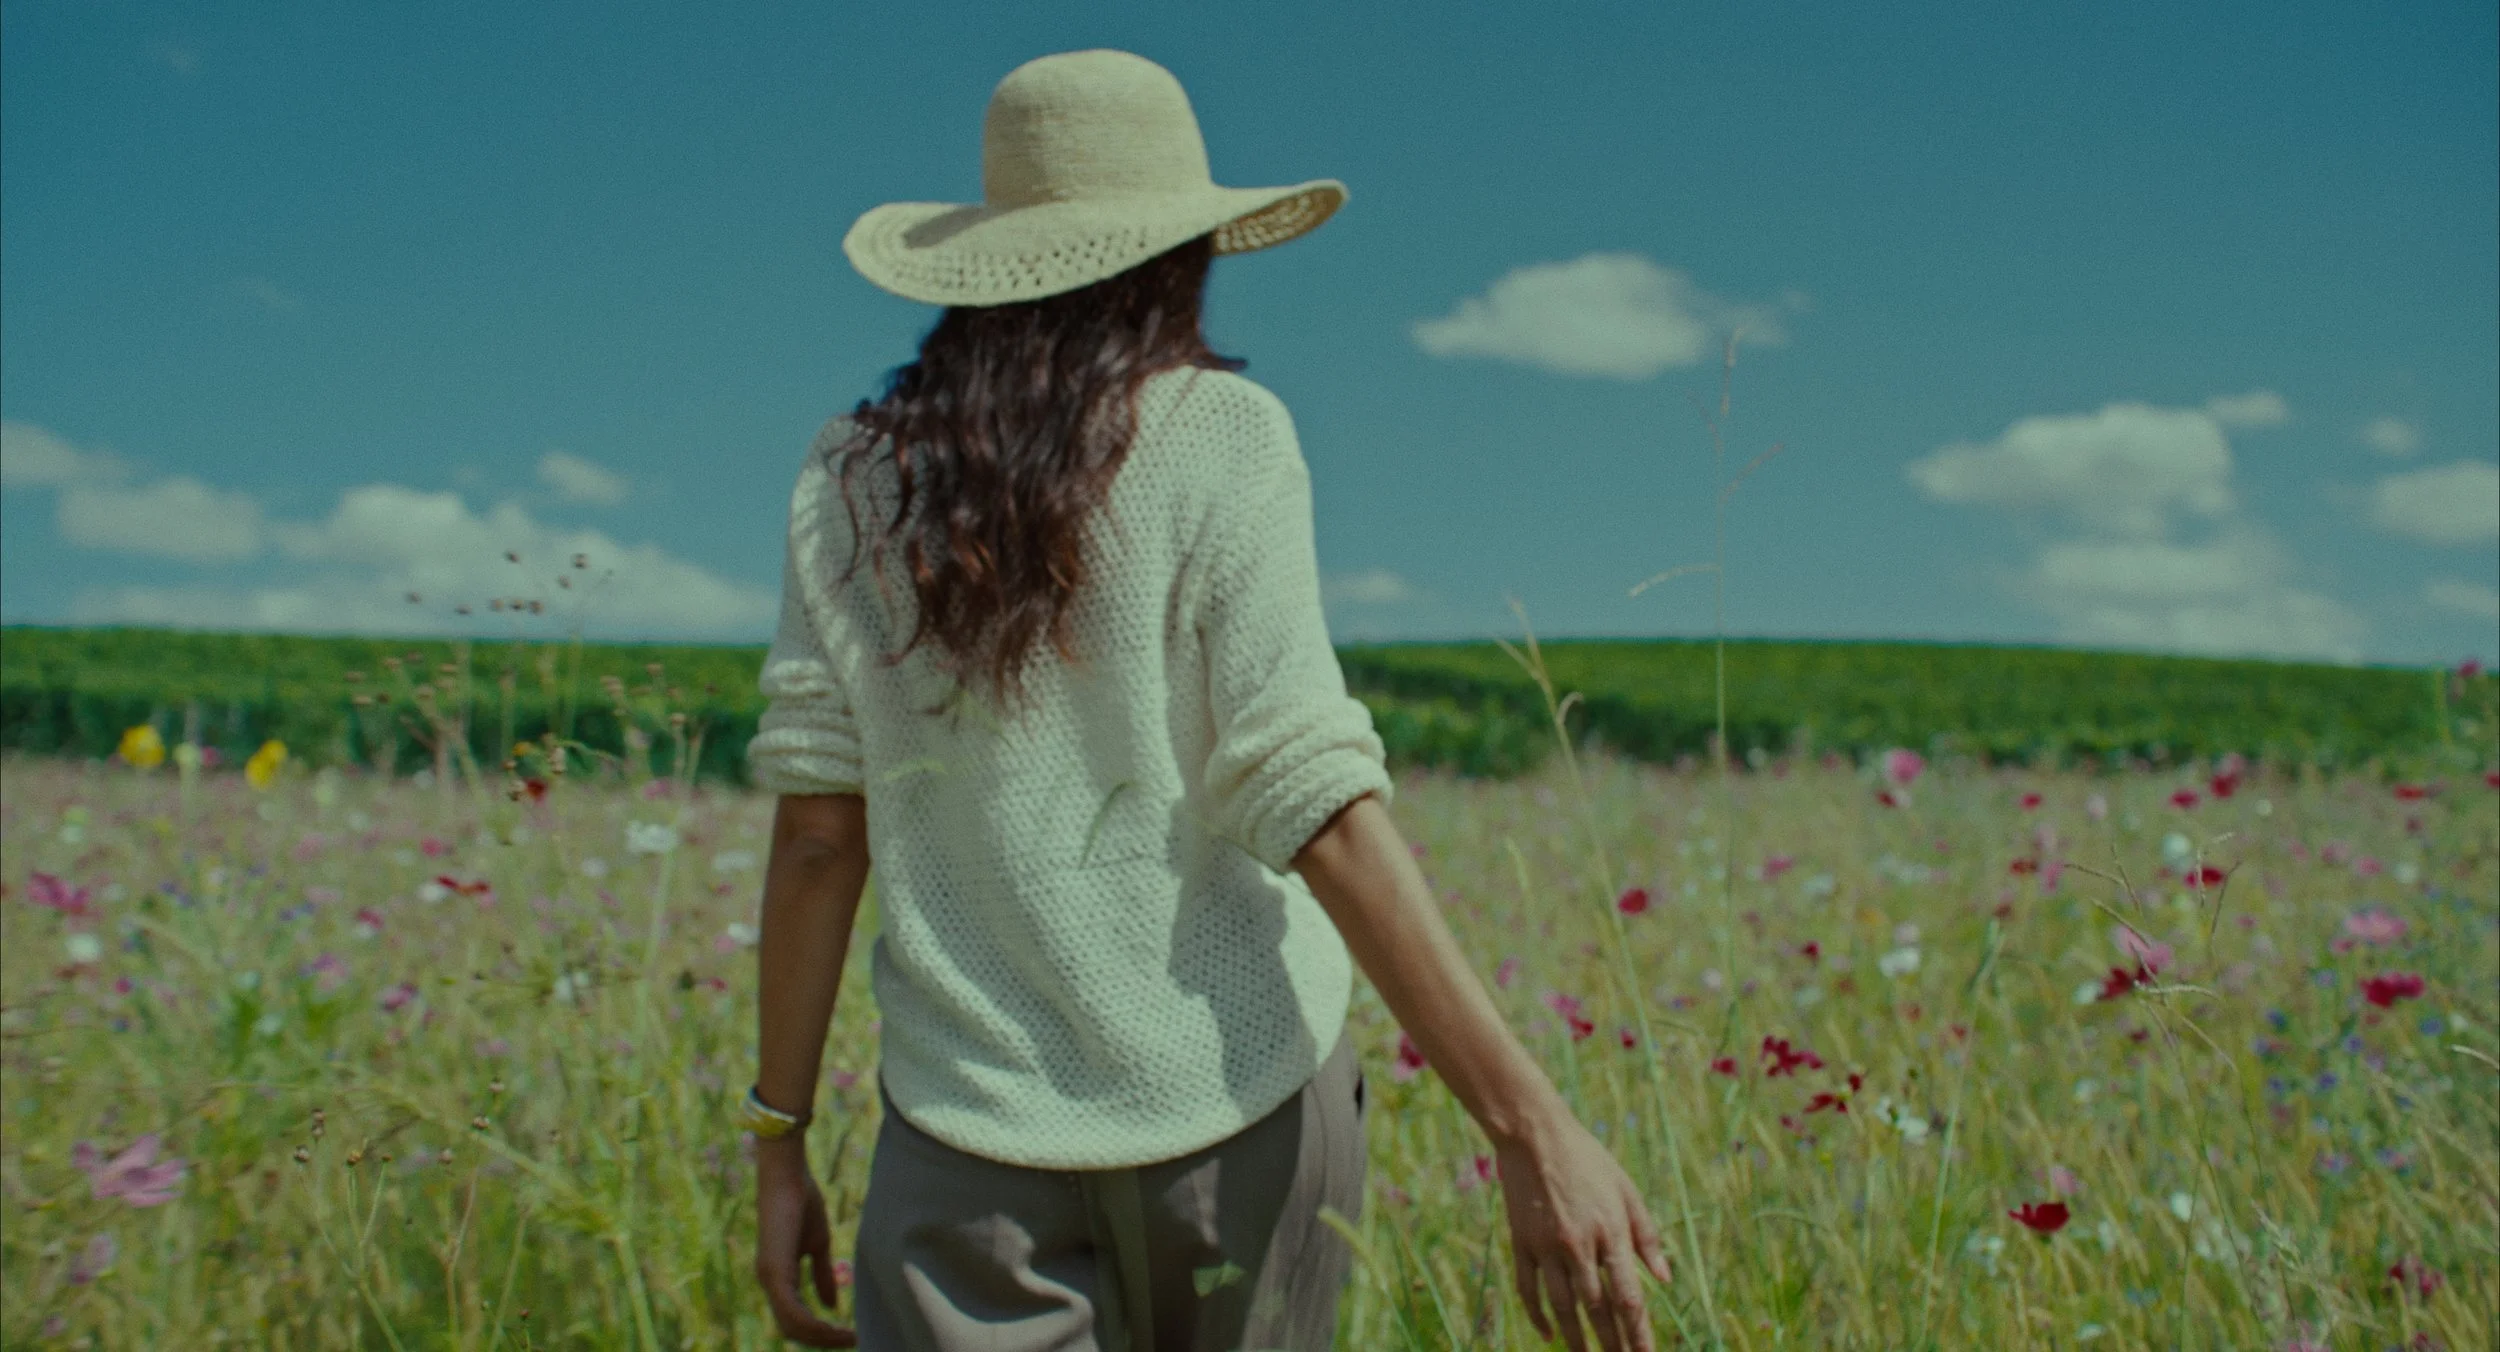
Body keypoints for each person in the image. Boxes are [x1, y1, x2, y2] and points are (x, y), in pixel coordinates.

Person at [744, 48, 1672, 1352]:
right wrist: (1532, 1125)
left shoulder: (848, 479)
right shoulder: (1221, 434)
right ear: (1181, 250)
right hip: (1244, 1123)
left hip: (966, 1143)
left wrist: (778, 1142)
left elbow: (818, 838)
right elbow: (1313, 799)